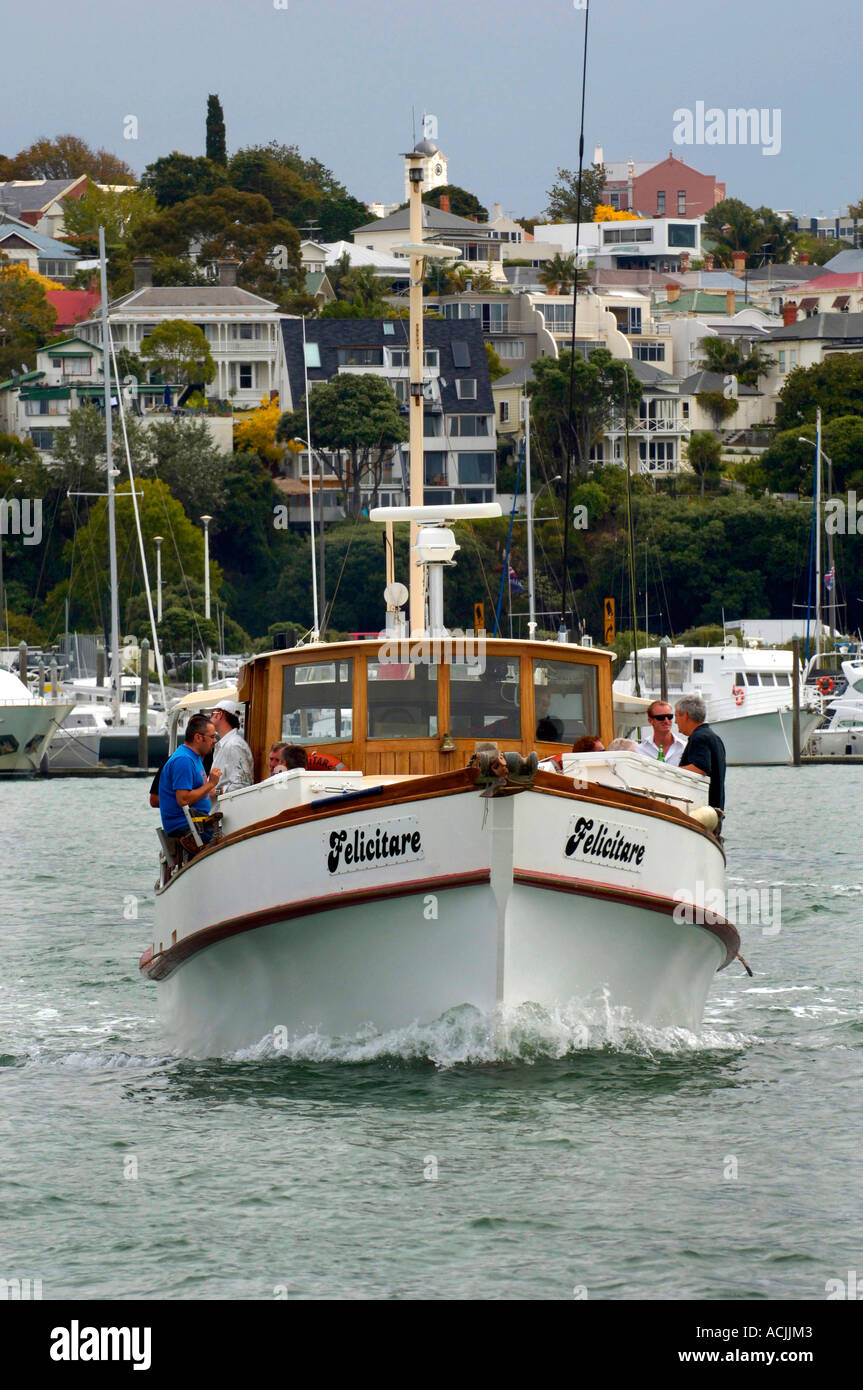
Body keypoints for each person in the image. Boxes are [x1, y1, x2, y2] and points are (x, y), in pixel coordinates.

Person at [159, 713, 221, 846]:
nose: (215, 740)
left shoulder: (194, 757)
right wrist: (211, 784)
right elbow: (183, 799)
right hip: (187, 827)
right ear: (198, 737)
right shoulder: (184, 760)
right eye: (212, 737)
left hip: (197, 823)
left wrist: (211, 789)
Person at [675, 695, 726, 811]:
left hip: (703, 811)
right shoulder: (714, 738)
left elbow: (701, 767)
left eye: (677, 716)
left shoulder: (699, 737)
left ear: (685, 716)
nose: (675, 721)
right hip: (715, 808)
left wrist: (674, 771)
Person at [211, 700, 253, 794]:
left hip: (225, 808)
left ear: (219, 714)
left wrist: (215, 792)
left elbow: (243, 784)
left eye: (212, 713)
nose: (210, 717)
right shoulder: (228, 744)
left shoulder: (234, 745)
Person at [637, 701, 687, 766]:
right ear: (650, 721)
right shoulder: (640, 750)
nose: (666, 721)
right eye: (661, 717)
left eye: (669, 716)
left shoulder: (685, 748)